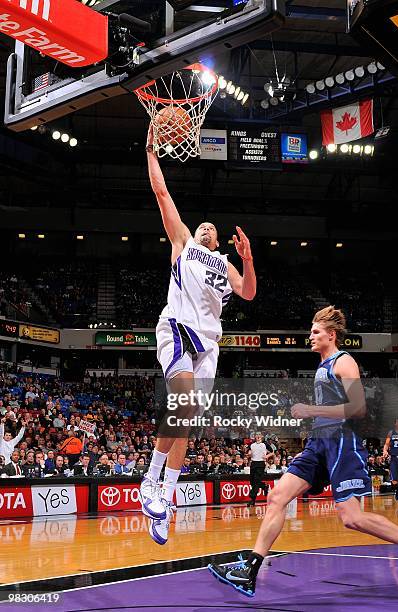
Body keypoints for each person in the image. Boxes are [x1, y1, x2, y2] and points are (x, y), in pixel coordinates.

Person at [208, 306, 398, 596]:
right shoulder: (322, 365)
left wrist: (311, 409)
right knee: (277, 496)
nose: (310, 336)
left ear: (331, 335)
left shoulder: (344, 361)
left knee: (351, 518)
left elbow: (358, 407)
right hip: (319, 443)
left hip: (341, 442)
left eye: (315, 332)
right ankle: (250, 570)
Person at [140, 124, 256, 546]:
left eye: (211, 228)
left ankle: (163, 498)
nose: (206, 229)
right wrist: (152, 151)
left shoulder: (225, 265)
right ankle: (150, 482)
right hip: (177, 326)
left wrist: (247, 260)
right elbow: (162, 194)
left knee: (187, 418)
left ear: (219, 239)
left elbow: (248, 291)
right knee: (183, 403)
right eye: (202, 226)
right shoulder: (183, 242)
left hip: (209, 344)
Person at [383, 417, 398, 507]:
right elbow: (387, 444)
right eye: (397, 422)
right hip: (393, 458)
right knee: (394, 480)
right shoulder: (391, 432)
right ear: (395, 424)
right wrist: (385, 451)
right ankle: (396, 489)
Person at [247, 433, 270, 507]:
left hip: (260, 464)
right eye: (257, 435)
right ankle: (264, 486)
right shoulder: (252, 445)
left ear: (262, 437)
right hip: (253, 463)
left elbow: (272, 451)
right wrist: (249, 454)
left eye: (260, 435)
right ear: (255, 437)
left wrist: (267, 456)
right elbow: (249, 452)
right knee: (252, 482)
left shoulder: (264, 444)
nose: (258, 436)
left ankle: (252, 500)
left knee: (256, 481)